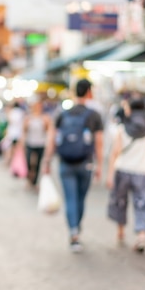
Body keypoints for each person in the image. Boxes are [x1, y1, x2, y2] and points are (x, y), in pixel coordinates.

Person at [42, 78, 104, 253]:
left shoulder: (62, 114)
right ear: (89, 92)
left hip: (65, 163)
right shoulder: (94, 115)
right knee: (80, 198)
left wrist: (46, 161)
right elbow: (99, 143)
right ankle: (77, 227)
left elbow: (51, 139)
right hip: (86, 164)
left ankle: (73, 233)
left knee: (70, 198)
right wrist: (100, 165)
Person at [107, 98, 145, 253]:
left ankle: (120, 232)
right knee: (142, 203)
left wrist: (109, 174)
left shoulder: (122, 128)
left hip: (123, 169)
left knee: (120, 202)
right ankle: (142, 236)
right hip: (142, 170)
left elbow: (115, 152)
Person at [20, 95, 51, 190]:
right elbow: (24, 131)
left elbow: (48, 131)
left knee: (37, 163)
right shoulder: (28, 118)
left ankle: (34, 182)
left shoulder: (45, 118)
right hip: (30, 142)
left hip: (40, 143)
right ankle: (29, 178)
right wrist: (21, 144)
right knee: (29, 161)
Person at [1, 100, 25, 166]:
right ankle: (12, 163)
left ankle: (8, 162)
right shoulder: (21, 112)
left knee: (9, 149)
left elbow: (11, 121)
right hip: (18, 134)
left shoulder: (12, 112)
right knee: (15, 150)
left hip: (12, 134)